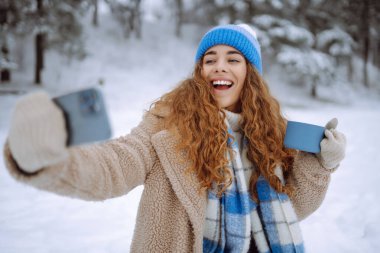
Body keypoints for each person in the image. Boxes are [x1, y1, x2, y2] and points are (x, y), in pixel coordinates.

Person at [3, 24, 346, 253]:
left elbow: (293, 207)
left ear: (250, 74)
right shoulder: (167, 125)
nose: (219, 67)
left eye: (233, 59)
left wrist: (320, 165)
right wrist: (49, 159)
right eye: (209, 59)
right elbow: (121, 161)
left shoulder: (271, 133)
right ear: (200, 72)